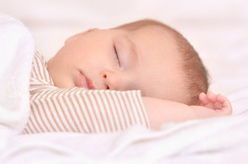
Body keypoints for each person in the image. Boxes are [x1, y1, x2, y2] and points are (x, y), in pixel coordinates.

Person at [24, 19, 232, 134]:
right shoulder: (21, 49)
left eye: (134, 96)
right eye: (117, 55)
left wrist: (195, 117)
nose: (113, 81)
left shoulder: (38, 104)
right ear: (83, 34)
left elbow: (93, 110)